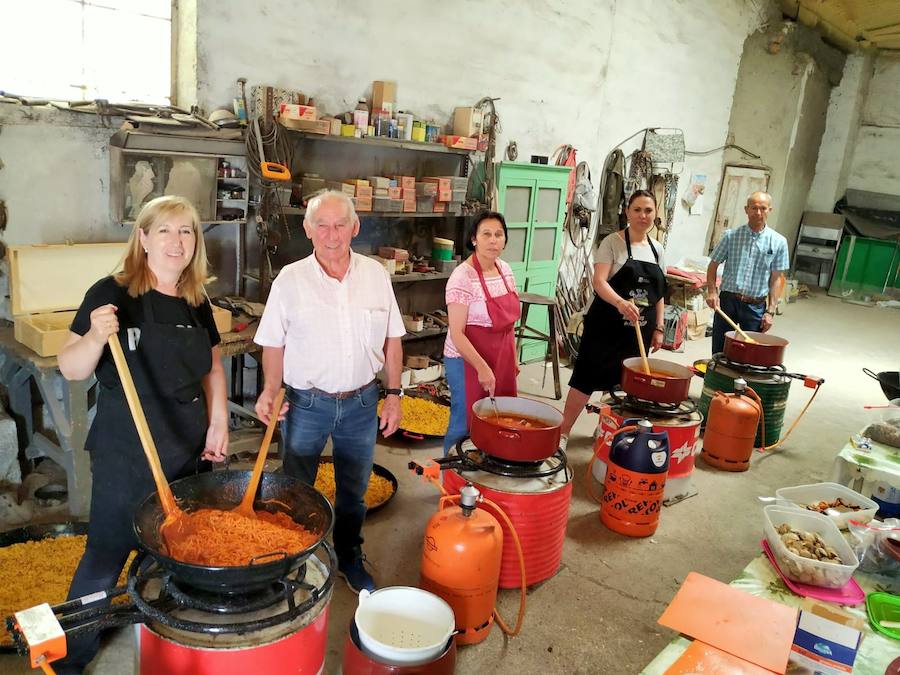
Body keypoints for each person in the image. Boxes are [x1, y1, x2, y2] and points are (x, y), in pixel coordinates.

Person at [56, 195, 228, 674]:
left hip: (187, 449)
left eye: (187, 232)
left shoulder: (197, 301)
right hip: (126, 451)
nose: (178, 241)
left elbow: (213, 367)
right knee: (106, 552)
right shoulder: (112, 293)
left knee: (175, 545)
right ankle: (70, 659)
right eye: (167, 231)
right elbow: (70, 367)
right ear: (144, 238)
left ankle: (167, 642)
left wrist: (218, 421)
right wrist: (93, 336)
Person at [254, 190, 404, 594]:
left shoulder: (375, 275)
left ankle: (349, 557)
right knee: (296, 487)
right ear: (307, 230)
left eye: (340, 224)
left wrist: (394, 395)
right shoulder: (291, 279)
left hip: (361, 401)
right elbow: (272, 342)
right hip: (306, 403)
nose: (331, 234)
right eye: (322, 224)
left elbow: (392, 339)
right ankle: (297, 558)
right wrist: (271, 389)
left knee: (353, 491)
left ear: (355, 228)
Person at [559, 190, 667, 444]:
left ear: (655, 214)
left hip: (638, 329)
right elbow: (599, 282)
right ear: (627, 211)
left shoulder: (657, 250)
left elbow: (660, 292)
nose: (643, 215)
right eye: (637, 209)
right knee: (585, 378)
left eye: (648, 210)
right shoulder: (612, 242)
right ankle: (563, 431)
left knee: (623, 384)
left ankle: (606, 427)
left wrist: (659, 327)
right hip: (605, 325)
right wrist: (620, 303)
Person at [442, 211, 520, 454]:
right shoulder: (462, 277)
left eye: (498, 234)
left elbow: (509, 324)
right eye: (486, 234)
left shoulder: (505, 270)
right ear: (474, 239)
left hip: (501, 356)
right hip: (466, 360)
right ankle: (450, 482)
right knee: (464, 423)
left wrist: (513, 357)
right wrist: (482, 367)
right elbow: (457, 333)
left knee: (498, 418)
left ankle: (482, 480)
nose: (493, 240)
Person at [706, 191, 789, 355]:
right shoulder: (731, 236)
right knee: (720, 351)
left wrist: (770, 311)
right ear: (746, 209)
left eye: (763, 208)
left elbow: (776, 279)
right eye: (754, 208)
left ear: (769, 210)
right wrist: (712, 292)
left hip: (755, 307)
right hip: (728, 302)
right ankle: (717, 380)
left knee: (748, 353)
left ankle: (740, 381)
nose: (758, 213)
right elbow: (713, 265)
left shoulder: (779, 242)